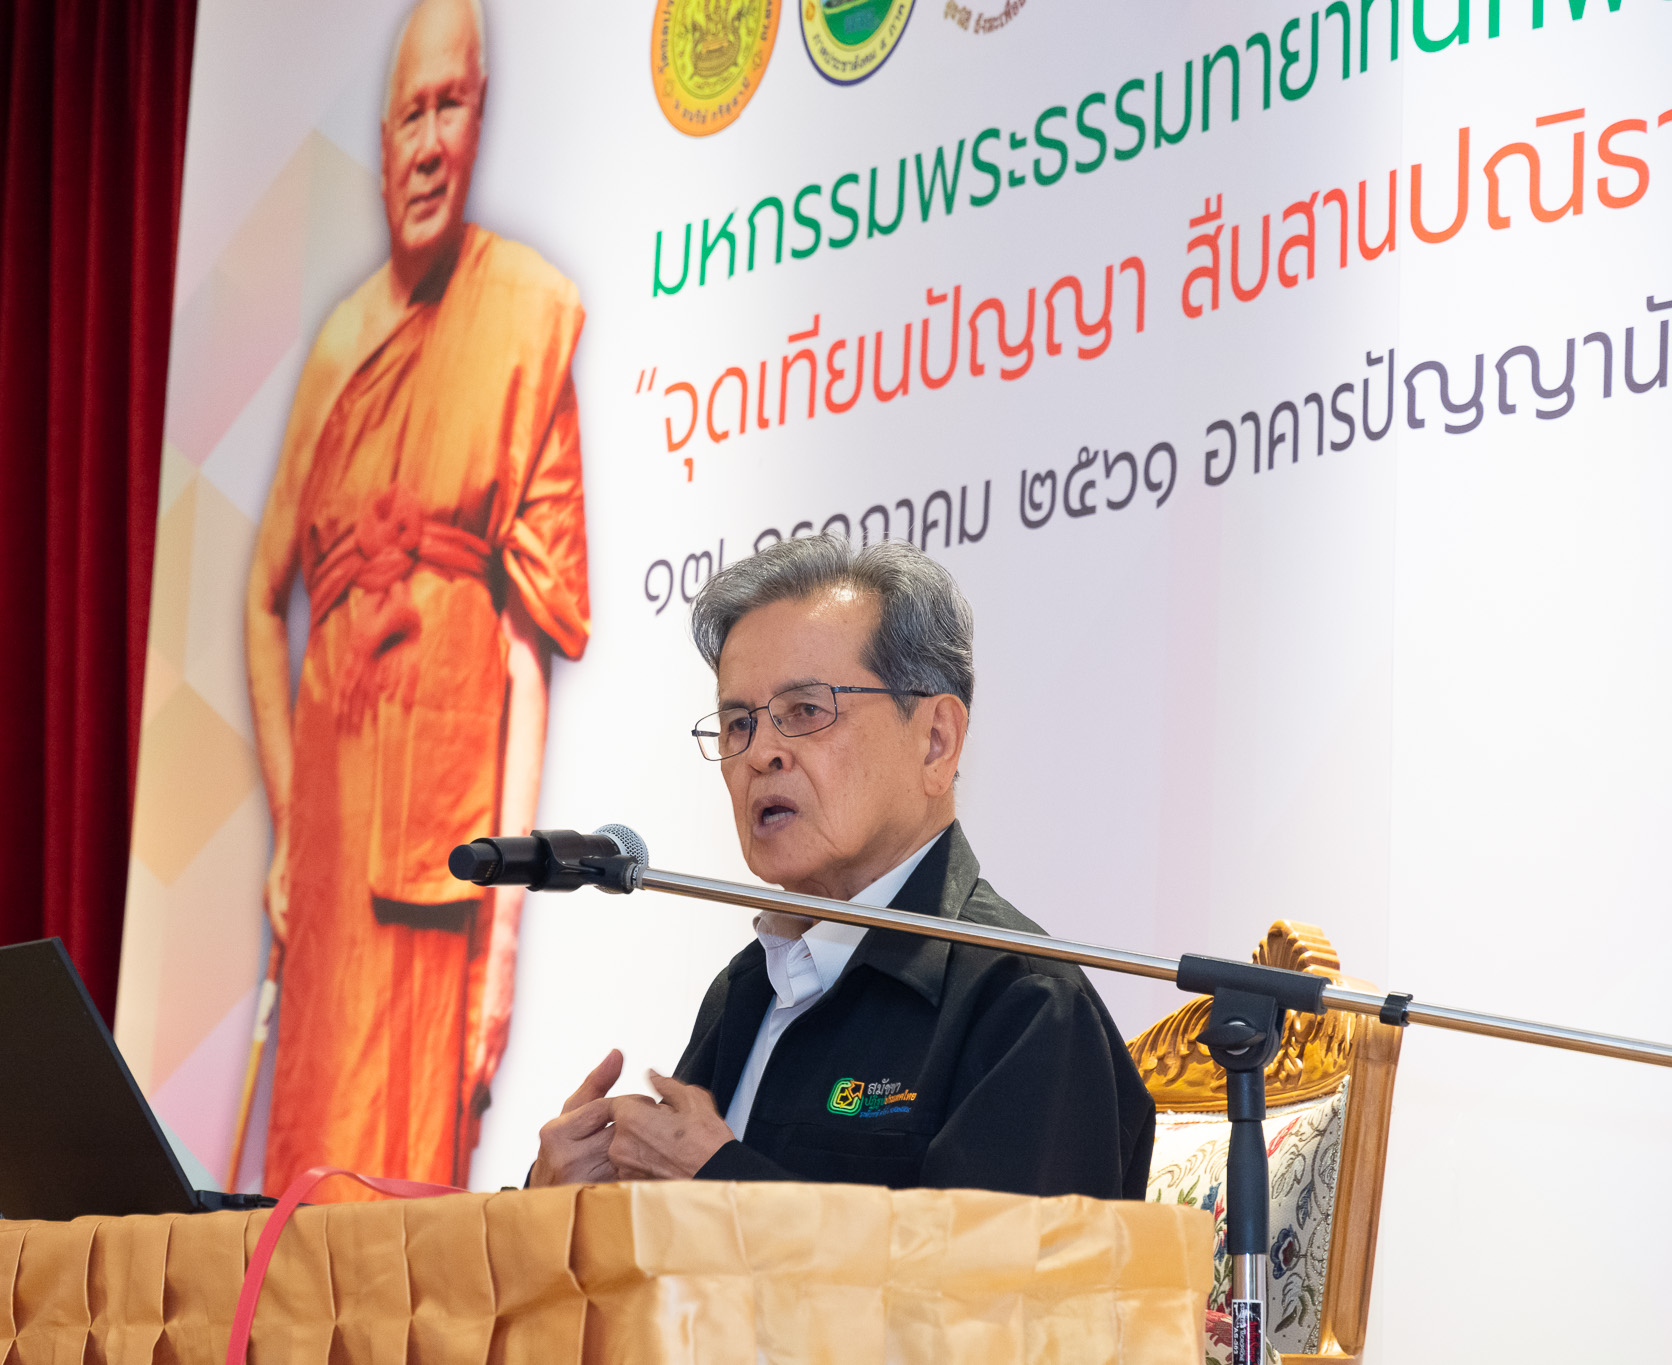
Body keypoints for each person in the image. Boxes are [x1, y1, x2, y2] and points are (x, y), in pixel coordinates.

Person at [244, 0, 590, 1192]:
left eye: (452, 108)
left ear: (480, 123)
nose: (431, 144)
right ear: (381, 141)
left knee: (397, 1216)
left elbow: (528, 654)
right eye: (410, 116)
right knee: (298, 1194)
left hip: (437, 857)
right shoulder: (338, 342)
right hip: (331, 840)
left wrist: (505, 942)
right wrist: (287, 829)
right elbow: (261, 598)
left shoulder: (524, 316)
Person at [527, 538, 1153, 1198]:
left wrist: (719, 1181)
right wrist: (561, 1200)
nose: (761, 752)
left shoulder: (1025, 1005)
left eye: (805, 710)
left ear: (935, 741)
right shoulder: (746, 990)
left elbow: (990, 1268)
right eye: (738, 723)